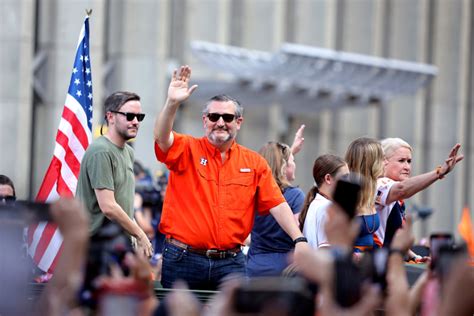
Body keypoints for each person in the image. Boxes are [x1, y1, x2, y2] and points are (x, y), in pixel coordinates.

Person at [153, 65, 309, 290]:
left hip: (230, 262)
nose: (220, 122)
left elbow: (277, 204)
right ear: (204, 120)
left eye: (227, 117)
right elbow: (161, 138)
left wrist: (299, 239)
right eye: (214, 116)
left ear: (239, 122)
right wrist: (172, 103)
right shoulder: (186, 148)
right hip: (183, 258)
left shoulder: (254, 162)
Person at [76, 91, 153, 257]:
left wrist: (132, 231)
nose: (135, 122)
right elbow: (109, 207)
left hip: (115, 241)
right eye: (130, 116)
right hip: (96, 245)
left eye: (139, 117)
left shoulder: (128, 152)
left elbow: (121, 201)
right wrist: (139, 234)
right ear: (110, 117)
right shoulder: (101, 151)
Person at [375, 138, 463, 258]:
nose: (407, 167)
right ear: (383, 162)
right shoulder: (379, 184)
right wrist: (439, 172)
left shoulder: (395, 196)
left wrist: (417, 258)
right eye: (401, 161)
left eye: (409, 161)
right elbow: (402, 189)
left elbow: (393, 240)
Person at [247, 141, 305, 277]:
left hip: (253, 265)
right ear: (284, 166)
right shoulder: (295, 195)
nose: (294, 164)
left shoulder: (253, 193)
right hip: (283, 268)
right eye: (292, 160)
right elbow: (298, 228)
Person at [299, 154, 349, 248]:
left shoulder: (318, 203)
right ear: (328, 179)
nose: (348, 182)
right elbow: (326, 250)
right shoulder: (326, 207)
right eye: (345, 177)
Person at [344, 137, 383, 253]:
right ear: (371, 163)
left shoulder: (371, 189)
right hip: (351, 263)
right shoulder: (348, 192)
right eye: (382, 159)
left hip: (368, 260)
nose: (386, 163)